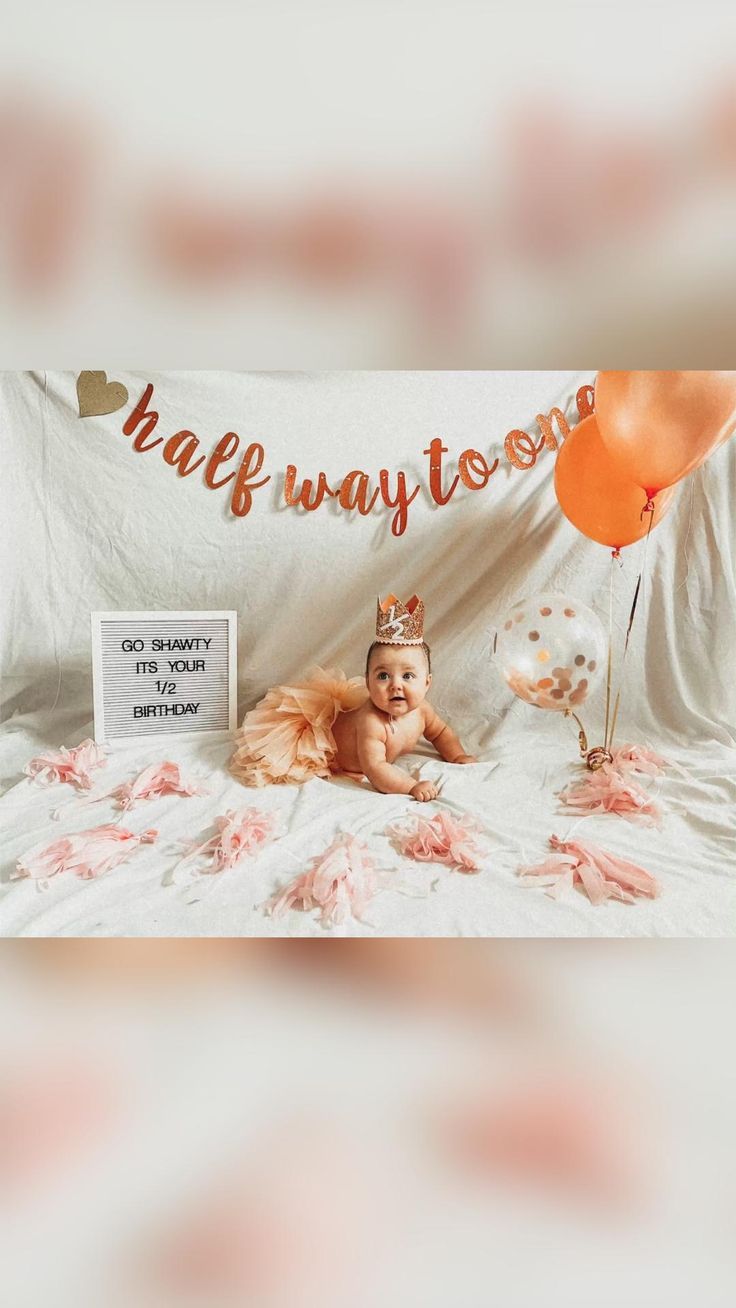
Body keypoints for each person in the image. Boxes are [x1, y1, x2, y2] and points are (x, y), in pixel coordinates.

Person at [230, 593, 476, 799]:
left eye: (408, 676)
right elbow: (376, 768)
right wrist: (410, 786)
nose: (395, 686)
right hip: (327, 743)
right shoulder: (371, 722)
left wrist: (456, 755)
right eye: (382, 676)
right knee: (294, 758)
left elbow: (441, 733)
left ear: (427, 683)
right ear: (367, 682)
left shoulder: (423, 711)